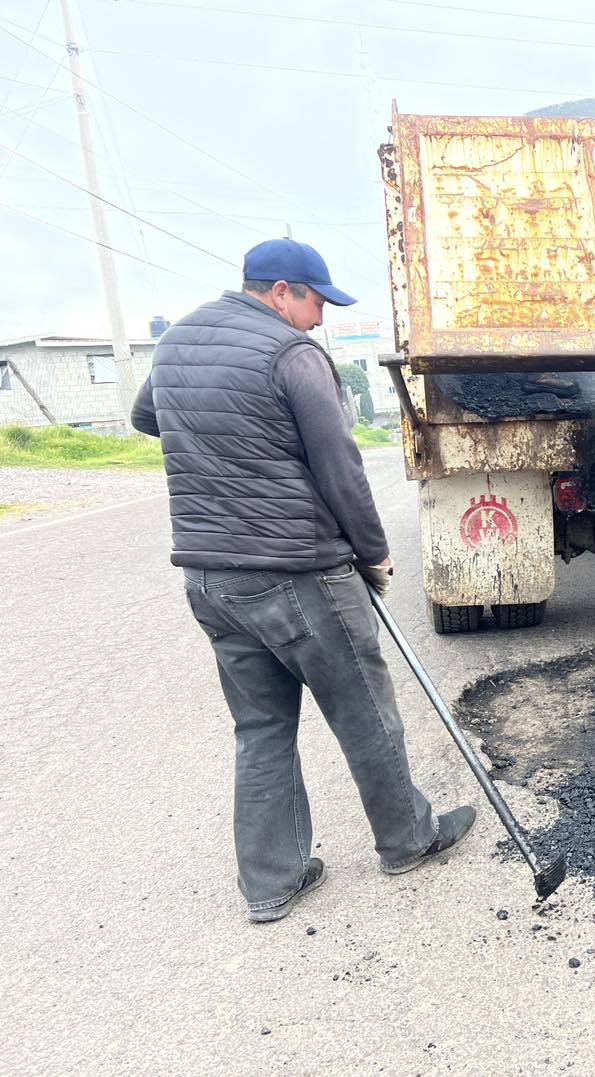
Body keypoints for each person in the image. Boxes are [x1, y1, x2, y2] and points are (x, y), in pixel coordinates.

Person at [132, 238, 476, 923]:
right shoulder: (290, 353)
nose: (320, 317)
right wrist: (374, 554)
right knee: (364, 712)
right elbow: (340, 466)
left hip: (208, 577)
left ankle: (272, 883)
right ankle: (407, 838)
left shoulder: (178, 341)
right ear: (282, 290)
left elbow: (146, 417)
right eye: (317, 301)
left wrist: (219, 442)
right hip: (296, 572)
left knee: (260, 726)